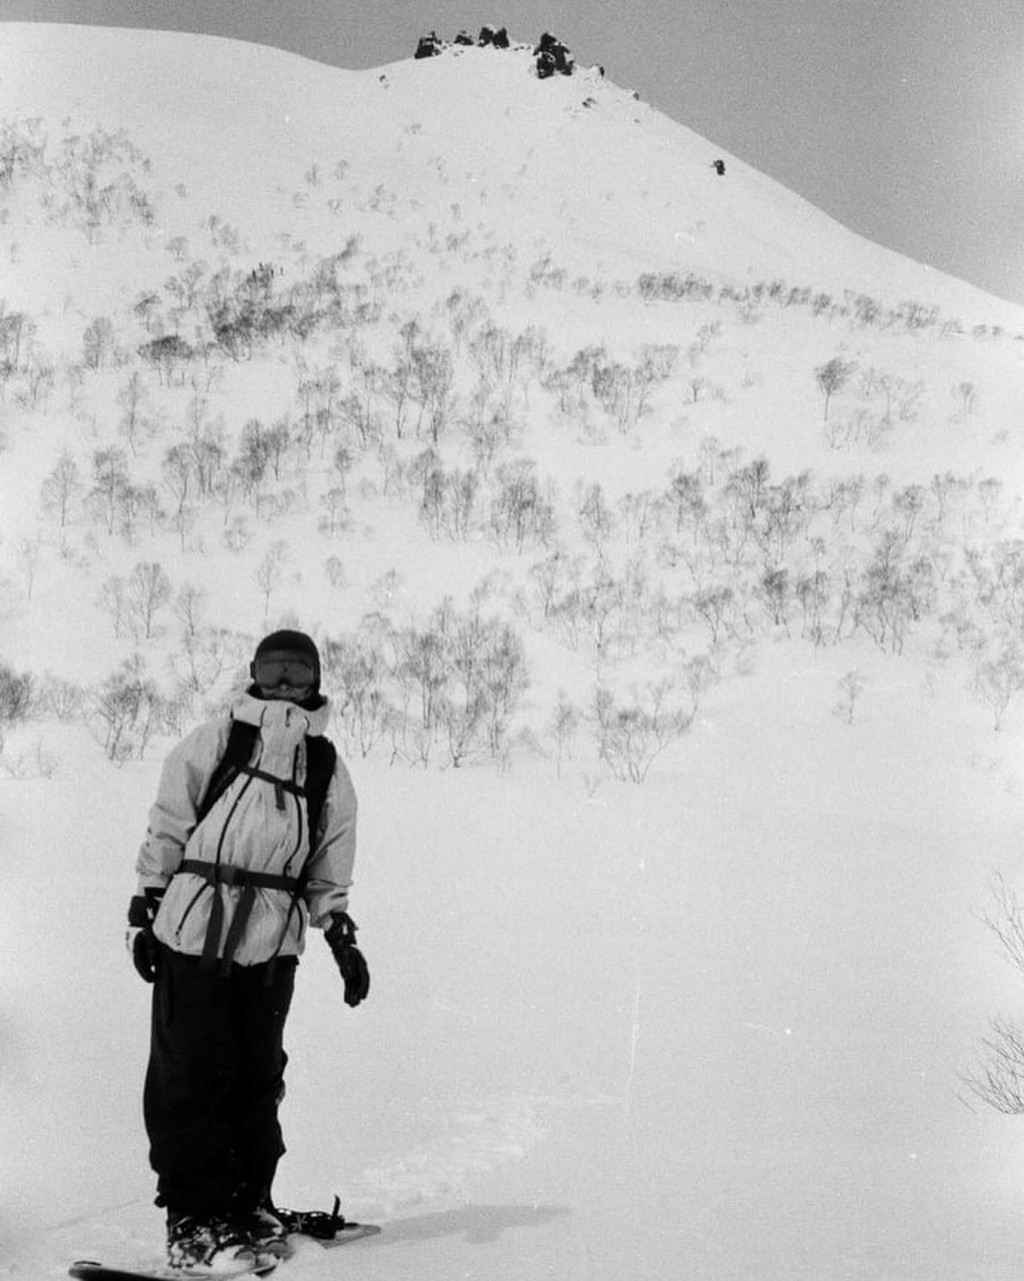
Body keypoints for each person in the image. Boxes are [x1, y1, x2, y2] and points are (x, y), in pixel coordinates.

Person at [127, 629, 369, 1274]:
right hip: (192, 925)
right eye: (275, 669)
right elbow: (169, 822)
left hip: (272, 940)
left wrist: (338, 930)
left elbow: (329, 857)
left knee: (258, 1077)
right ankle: (192, 1220)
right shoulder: (216, 738)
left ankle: (247, 1203)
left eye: (299, 672)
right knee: (190, 1076)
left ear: (316, 680)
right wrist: (146, 907)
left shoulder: (324, 766)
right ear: (253, 671)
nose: (286, 683)